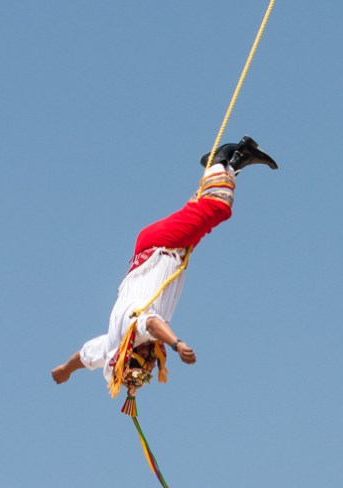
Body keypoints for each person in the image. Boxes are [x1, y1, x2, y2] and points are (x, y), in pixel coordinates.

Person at [51, 136, 277, 393]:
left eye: (143, 362)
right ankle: (236, 160)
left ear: (128, 354)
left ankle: (219, 158)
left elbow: (152, 324)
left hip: (160, 245)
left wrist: (176, 344)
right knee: (204, 209)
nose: (150, 361)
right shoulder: (111, 345)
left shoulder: (132, 331)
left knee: (218, 207)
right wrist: (64, 370)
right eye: (150, 366)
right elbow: (85, 356)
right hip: (164, 249)